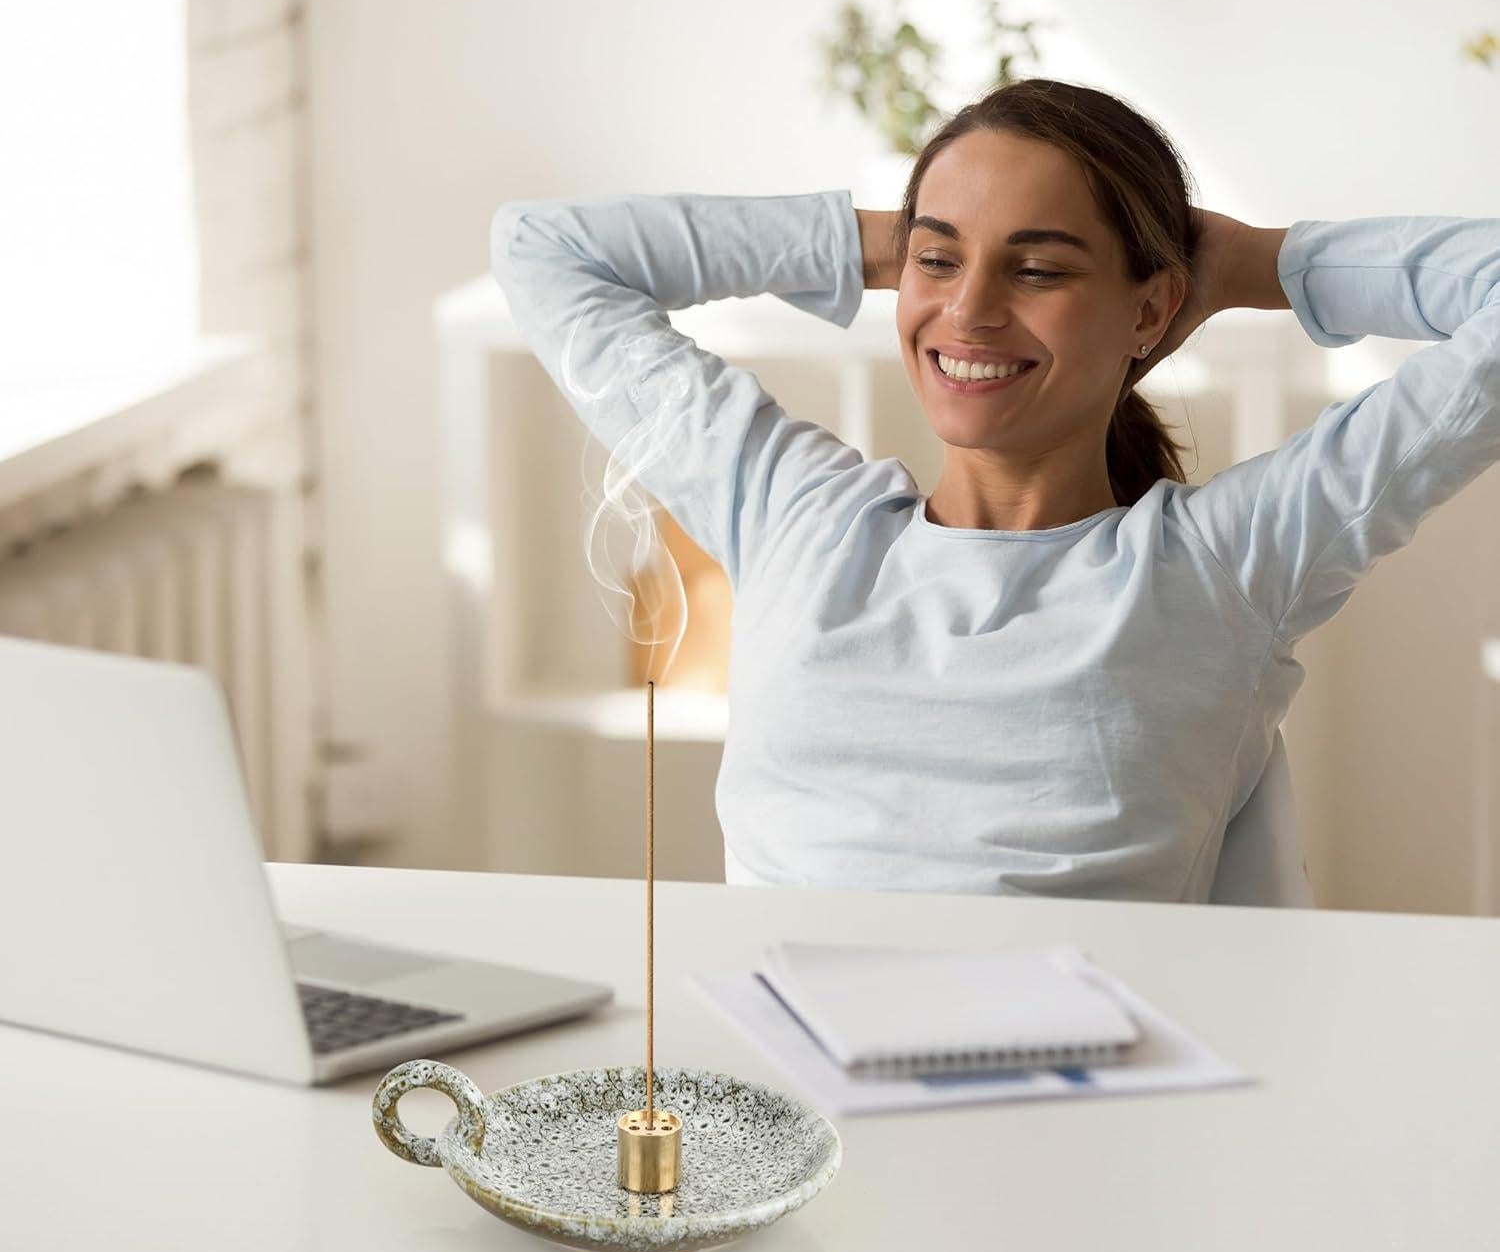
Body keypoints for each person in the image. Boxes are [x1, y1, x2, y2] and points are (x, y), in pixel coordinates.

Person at [489, 77, 1500, 902]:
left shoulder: (1229, 564)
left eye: (1039, 272)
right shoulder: (791, 513)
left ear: (1150, 310)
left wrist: (1252, 264)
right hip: (793, 1114)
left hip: (1084, 1116)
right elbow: (545, 249)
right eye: (940, 263)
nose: (969, 311)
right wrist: (895, 245)